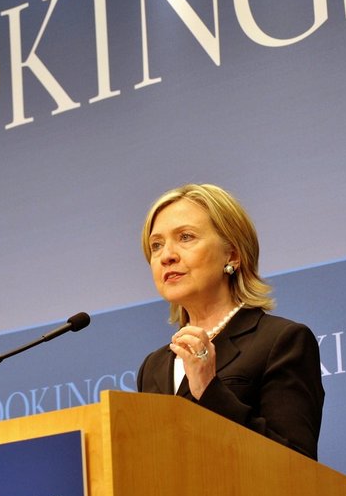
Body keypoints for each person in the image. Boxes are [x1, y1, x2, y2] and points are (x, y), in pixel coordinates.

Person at [136, 183, 324, 460]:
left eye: (186, 237)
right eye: (156, 245)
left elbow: (296, 462)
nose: (167, 256)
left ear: (232, 255)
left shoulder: (281, 341)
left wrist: (210, 389)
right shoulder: (153, 367)